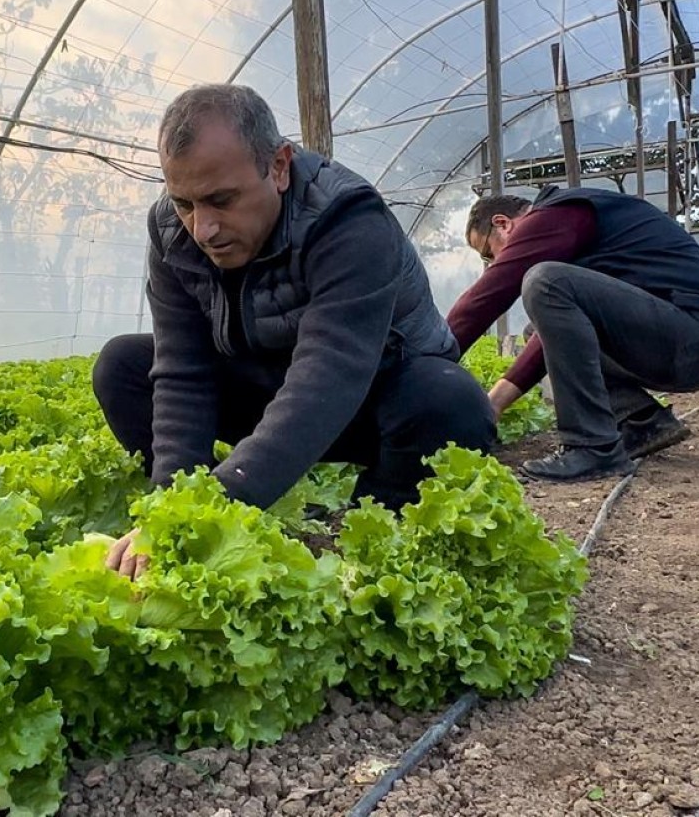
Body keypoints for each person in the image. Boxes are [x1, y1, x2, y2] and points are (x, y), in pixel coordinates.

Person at [93, 84, 495, 578]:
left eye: (222, 200)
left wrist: (224, 498)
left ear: (279, 166)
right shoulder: (173, 231)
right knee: (122, 366)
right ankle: (228, 502)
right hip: (266, 386)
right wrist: (175, 508)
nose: (204, 229)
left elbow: (330, 373)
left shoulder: (347, 218)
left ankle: (375, 526)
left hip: (369, 396)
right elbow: (182, 371)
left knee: (451, 401)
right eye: (185, 203)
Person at [447, 183, 699, 483]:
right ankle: (639, 421)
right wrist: (494, 404)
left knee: (545, 280)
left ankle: (592, 447)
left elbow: (489, 294)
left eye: (488, 252)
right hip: (691, 342)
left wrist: (429, 358)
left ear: (502, 223)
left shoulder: (559, 212)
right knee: (538, 327)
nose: (494, 263)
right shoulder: (578, 226)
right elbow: (556, 342)